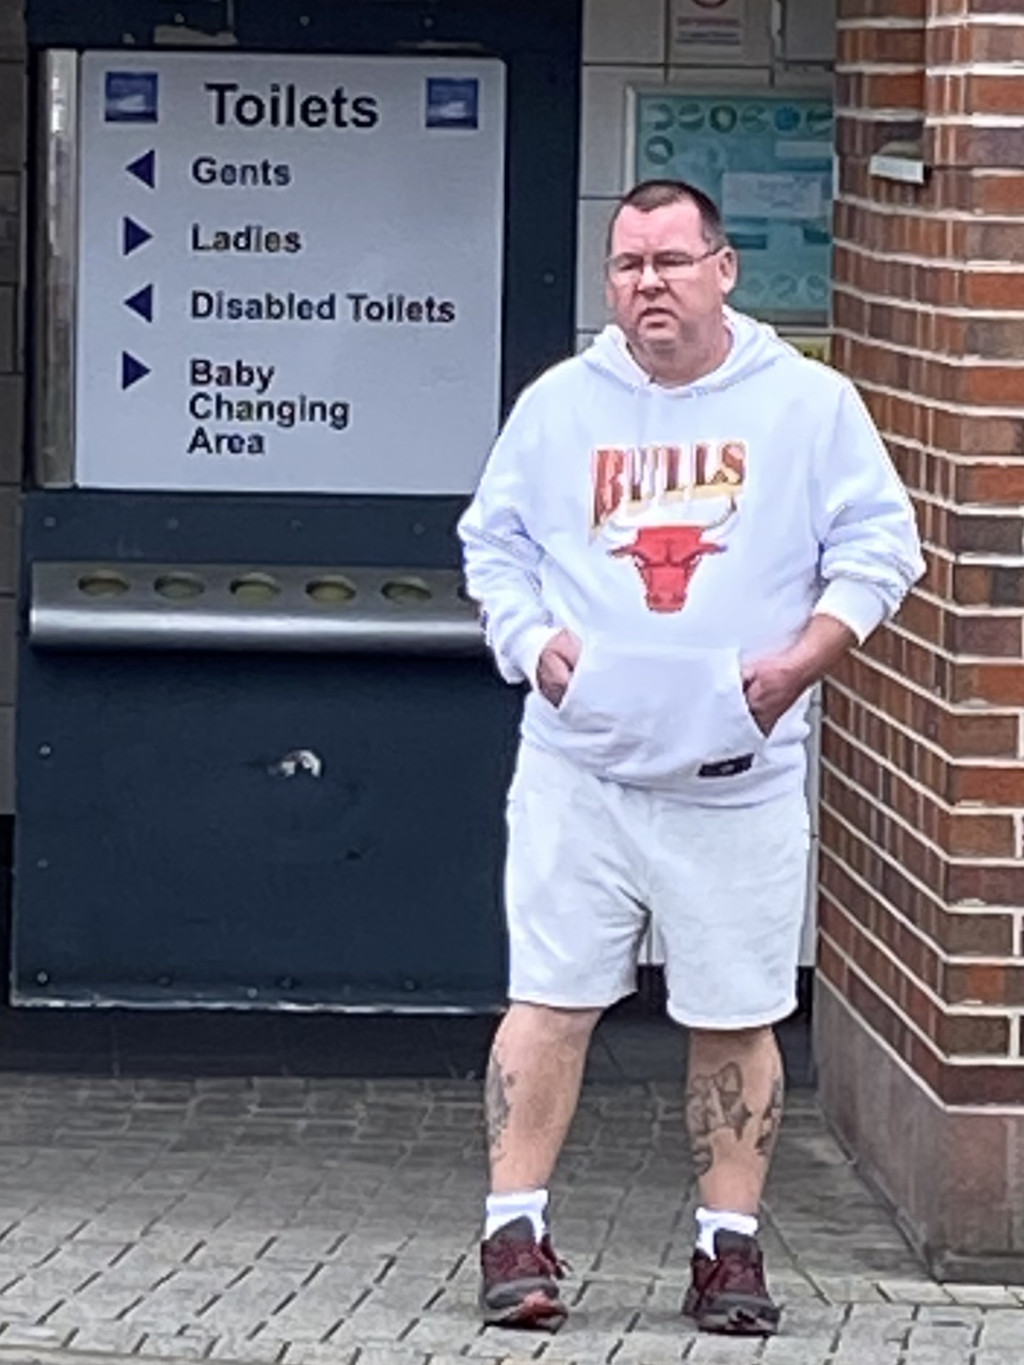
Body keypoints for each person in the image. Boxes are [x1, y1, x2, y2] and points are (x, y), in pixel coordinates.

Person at [457, 179, 923, 1338]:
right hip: (582, 768)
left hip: (736, 777)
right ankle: (513, 1234)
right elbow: (494, 544)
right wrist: (531, 645)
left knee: (733, 1013)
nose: (646, 286)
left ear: (722, 269)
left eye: (669, 261)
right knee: (550, 1002)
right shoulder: (561, 405)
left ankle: (729, 1253)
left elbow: (879, 545)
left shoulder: (806, 406)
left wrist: (802, 662)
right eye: (626, 266)